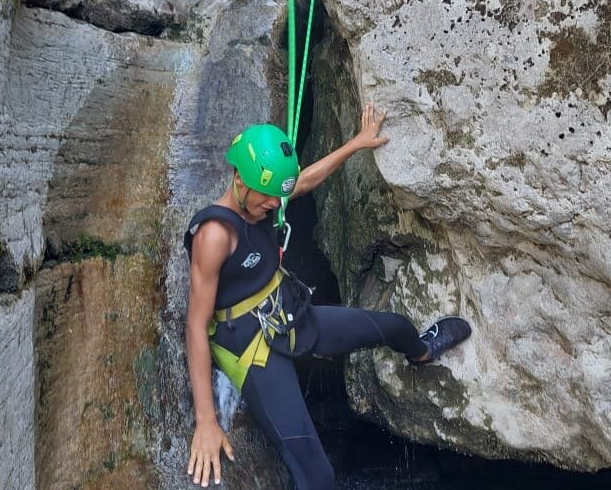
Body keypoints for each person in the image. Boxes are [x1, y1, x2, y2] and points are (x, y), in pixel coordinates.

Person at [184, 104, 472, 489]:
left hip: (288, 316)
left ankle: (422, 352)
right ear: (240, 179)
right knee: (317, 475)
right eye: (268, 197)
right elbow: (195, 325)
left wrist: (358, 142)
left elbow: (302, 182)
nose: (274, 205)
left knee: (393, 326)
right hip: (251, 348)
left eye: (276, 198)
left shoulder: (263, 196)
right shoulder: (215, 235)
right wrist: (206, 420)